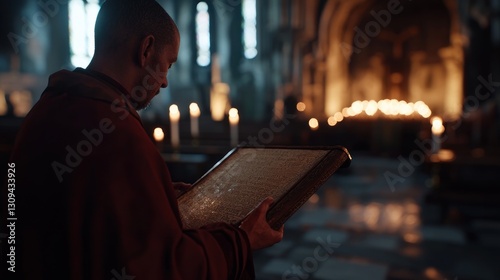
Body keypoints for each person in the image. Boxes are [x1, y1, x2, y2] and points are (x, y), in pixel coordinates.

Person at [9, 0, 283, 279]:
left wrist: (156, 199)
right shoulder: (117, 133)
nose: (164, 82)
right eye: (168, 64)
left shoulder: (44, 111)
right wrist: (242, 240)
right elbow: (161, 268)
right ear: (146, 49)